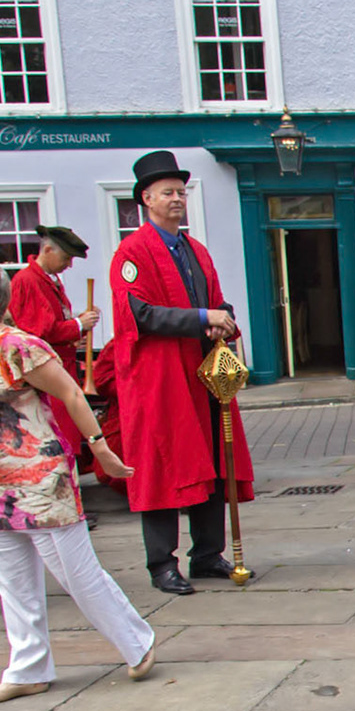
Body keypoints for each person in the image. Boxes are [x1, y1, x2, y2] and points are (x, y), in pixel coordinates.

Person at [0, 263, 156, 704]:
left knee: (76, 574)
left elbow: (72, 393)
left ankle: (137, 642)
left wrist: (100, 451)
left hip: (41, 481)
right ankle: (28, 668)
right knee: (12, 583)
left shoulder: (17, 345)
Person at [106, 150, 255, 596]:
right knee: (163, 466)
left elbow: (216, 300)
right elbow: (142, 314)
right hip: (160, 380)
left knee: (211, 457)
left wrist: (222, 317)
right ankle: (161, 563)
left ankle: (207, 553)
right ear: (146, 199)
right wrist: (201, 317)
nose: (176, 198)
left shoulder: (196, 250)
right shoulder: (132, 253)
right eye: (167, 192)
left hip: (202, 374)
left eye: (181, 191)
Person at [8, 225, 101, 464]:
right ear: (47, 250)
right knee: (58, 439)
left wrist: (76, 330)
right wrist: (78, 325)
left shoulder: (49, 280)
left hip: (61, 366)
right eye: (66, 257)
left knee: (67, 436)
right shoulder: (27, 281)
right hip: (47, 377)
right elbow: (37, 333)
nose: (69, 264)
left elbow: (52, 323)